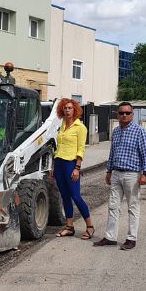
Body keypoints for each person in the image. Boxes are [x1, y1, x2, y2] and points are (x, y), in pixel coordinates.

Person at [93, 102, 146, 250]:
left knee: (132, 207)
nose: (124, 115)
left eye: (127, 113)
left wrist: (145, 174)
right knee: (113, 206)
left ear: (132, 115)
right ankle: (110, 237)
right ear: (117, 115)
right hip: (116, 174)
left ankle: (131, 239)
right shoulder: (116, 132)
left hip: (132, 175)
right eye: (121, 113)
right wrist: (108, 171)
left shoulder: (139, 132)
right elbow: (112, 153)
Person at [51, 99, 95, 239]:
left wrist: (77, 167)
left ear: (75, 109)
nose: (67, 110)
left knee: (76, 196)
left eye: (70, 108)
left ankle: (90, 226)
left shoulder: (80, 127)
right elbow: (59, 147)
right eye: (65, 108)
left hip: (71, 164)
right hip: (59, 164)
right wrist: (53, 166)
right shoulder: (62, 124)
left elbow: (81, 149)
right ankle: (69, 227)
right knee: (65, 196)